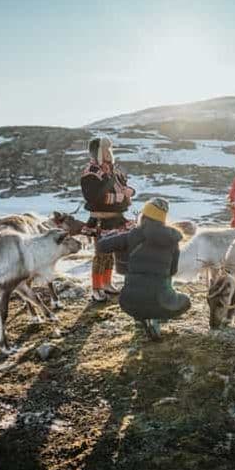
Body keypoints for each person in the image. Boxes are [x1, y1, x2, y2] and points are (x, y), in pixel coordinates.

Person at [96, 198, 191, 341]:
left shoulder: (131, 235)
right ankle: (156, 318)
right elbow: (173, 271)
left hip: (129, 300)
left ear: (144, 216)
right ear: (163, 219)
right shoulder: (172, 240)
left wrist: (115, 235)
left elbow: (101, 246)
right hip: (161, 300)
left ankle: (142, 318)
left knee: (140, 297)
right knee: (185, 301)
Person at [80, 135, 134, 302]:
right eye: (105, 149)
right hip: (100, 220)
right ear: (97, 152)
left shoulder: (113, 170)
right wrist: (120, 198)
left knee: (110, 253)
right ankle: (96, 288)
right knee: (100, 254)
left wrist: (129, 192)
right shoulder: (91, 173)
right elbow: (94, 197)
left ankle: (107, 283)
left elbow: (124, 188)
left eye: (109, 149)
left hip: (116, 218)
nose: (109, 152)